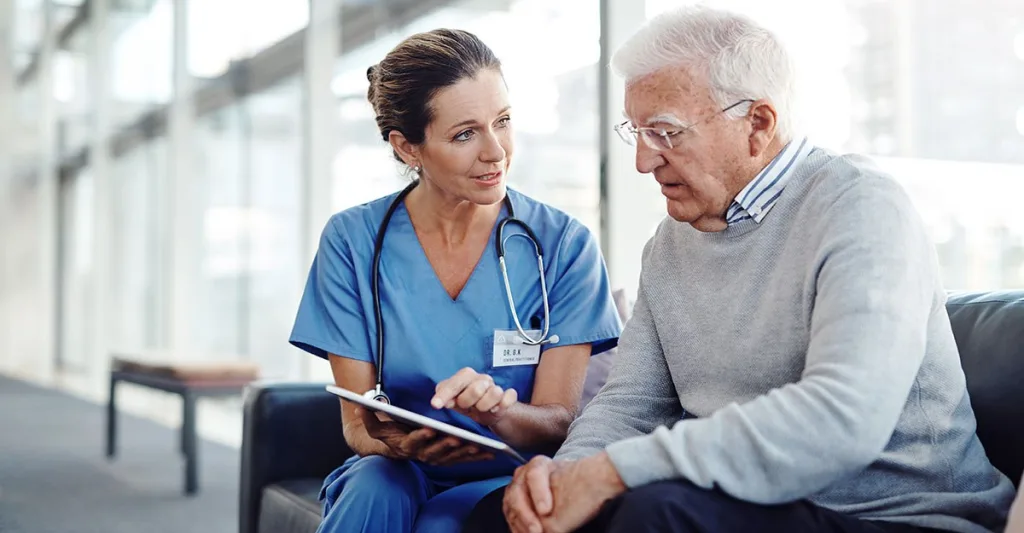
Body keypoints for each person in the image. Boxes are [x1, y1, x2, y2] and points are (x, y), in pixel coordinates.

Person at [464, 6, 1016, 533]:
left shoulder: (861, 207)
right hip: (744, 507)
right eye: (636, 133)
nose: (643, 160)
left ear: (758, 122)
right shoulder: (670, 244)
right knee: (503, 518)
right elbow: (630, 404)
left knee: (658, 518)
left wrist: (614, 473)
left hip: (896, 516)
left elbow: (845, 419)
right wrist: (565, 478)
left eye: (666, 132)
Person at [288, 28, 622, 533]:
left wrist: (498, 416)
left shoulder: (562, 245)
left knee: (444, 524)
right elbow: (357, 426)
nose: (496, 152)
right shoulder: (353, 241)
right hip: (398, 466)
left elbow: (558, 422)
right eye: (465, 134)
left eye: (503, 122)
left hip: (508, 471)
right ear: (407, 148)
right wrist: (391, 441)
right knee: (373, 487)